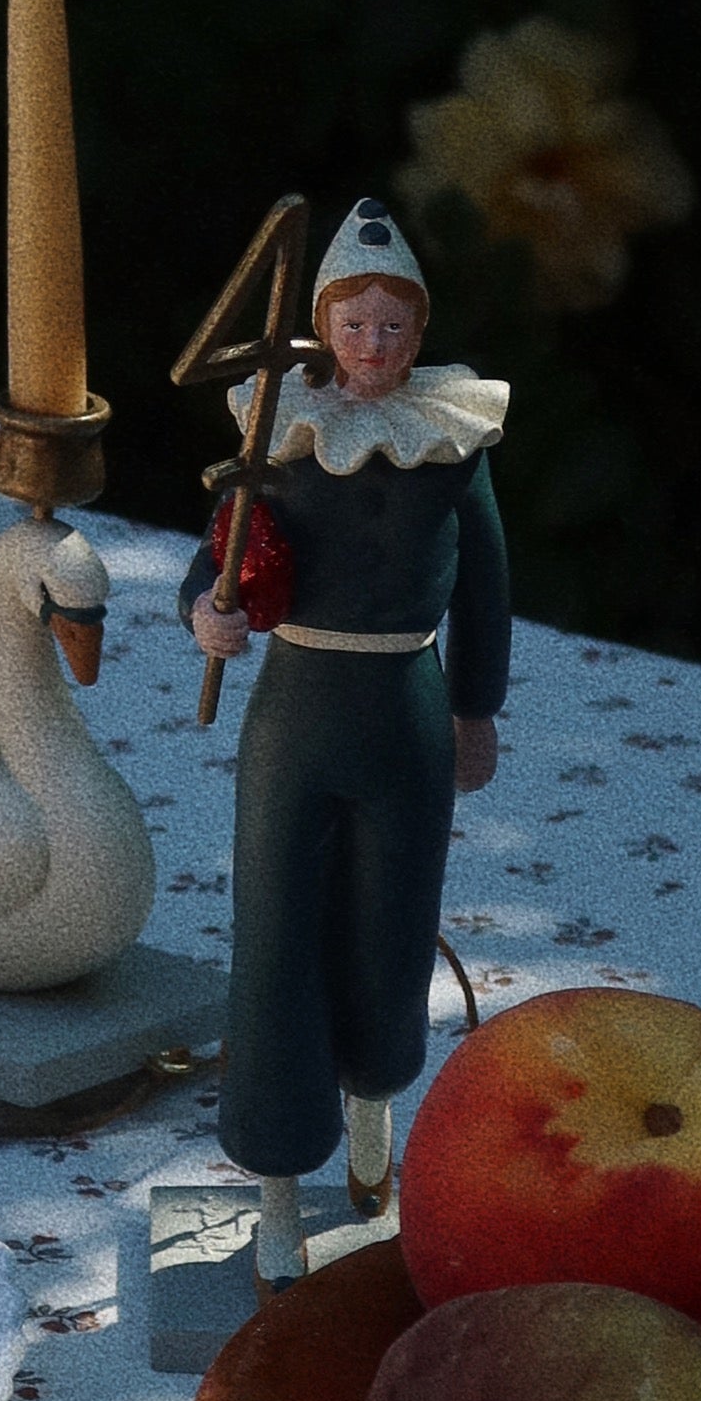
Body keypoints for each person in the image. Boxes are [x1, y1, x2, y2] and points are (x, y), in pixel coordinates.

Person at [184, 199, 509, 1285]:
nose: (374, 347)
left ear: (418, 334)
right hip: (295, 720)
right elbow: (220, 554)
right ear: (325, 327)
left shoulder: (455, 439)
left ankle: (374, 1131)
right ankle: (277, 1191)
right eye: (356, 325)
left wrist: (476, 709)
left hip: (405, 717)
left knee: (393, 925)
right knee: (276, 939)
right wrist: (208, 613)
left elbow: (489, 590)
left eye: (394, 327)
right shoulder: (277, 425)